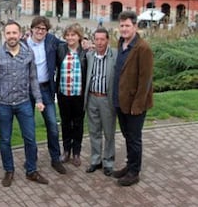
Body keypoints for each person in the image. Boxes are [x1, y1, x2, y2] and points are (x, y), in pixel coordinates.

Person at [0, 20, 48, 187]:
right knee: (5, 139)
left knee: (30, 138)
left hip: (23, 103)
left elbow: (33, 78)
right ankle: (9, 170)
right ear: (4, 35)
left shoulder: (28, 53)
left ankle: (31, 170)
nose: (12, 36)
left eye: (14, 33)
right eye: (8, 33)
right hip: (3, 104)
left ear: (20, 34)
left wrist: (39, 100)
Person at [112, 11, 153, 186]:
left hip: (135, 105)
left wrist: (137, 105)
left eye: (127, 25)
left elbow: (146, 80)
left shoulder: (143, 48)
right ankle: (130, 165)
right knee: (127, 136)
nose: (124, 29)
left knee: (134, 138)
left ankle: (134, 172)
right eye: (121, 25)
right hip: (120, 101)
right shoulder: (121, 43)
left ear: (135, 26)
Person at [26, 16, 66, 174]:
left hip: (45, 89)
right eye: (37, 28)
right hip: (28, 90)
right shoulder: (24, 45)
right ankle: (31, 158)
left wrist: (82, 43)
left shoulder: (51, 41)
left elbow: (66, 45)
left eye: (43, 29)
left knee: (52, 125)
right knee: (28, 127)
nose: (40, 31)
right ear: (32, 29)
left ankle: (55, 158)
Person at [84, 27, 117, 177]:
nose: (99, 42)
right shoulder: (89, 55)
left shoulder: (114, 55)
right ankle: (96, 160)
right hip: (91, 98)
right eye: (96, 39)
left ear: (107, 40)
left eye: (102, 39)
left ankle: (108, 162)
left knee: (109, 132)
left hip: (106, 99)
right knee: (94, 131)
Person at [56, 23, 87, 167]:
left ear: (79, 36)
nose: (70, 38)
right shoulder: (61, 49)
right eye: (67, 35)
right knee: (66, 123)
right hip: (64, 93)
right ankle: (66, 150)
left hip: (78, 95)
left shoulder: (85, 52)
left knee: (78, 124)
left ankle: (76, 152)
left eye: (73, 35)